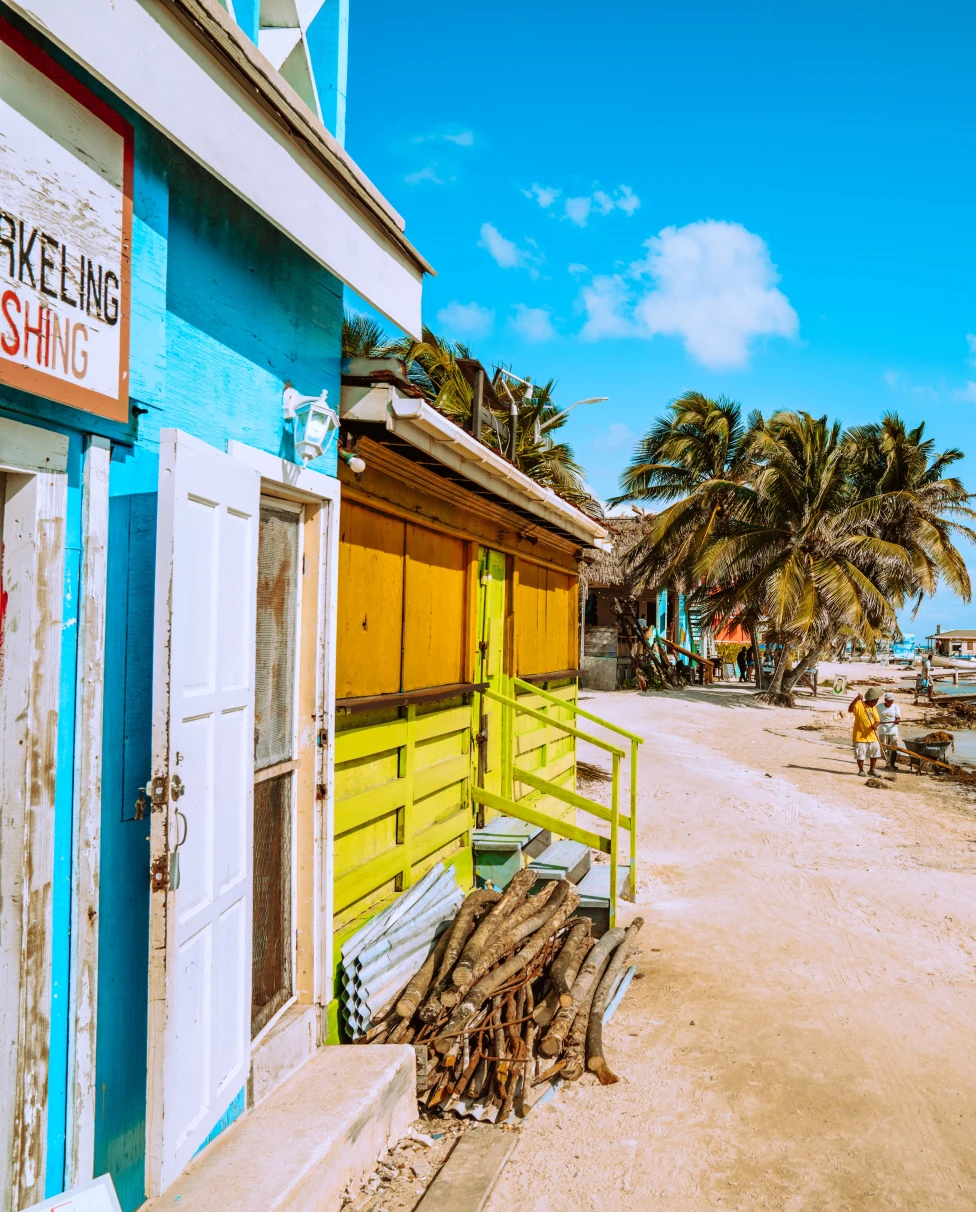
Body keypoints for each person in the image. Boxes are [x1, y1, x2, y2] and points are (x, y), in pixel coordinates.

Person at [848, 686, 882, 776]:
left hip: (872, 735)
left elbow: (877, 720)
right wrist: (856, 700)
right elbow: (850, 710)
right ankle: (861, 770)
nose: (875, 703)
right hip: (860, 735)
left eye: (876, 701)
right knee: (860, 754)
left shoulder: (874, 708)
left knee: (875, 752)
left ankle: (872, 770)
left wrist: (875, 725)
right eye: (875, 701)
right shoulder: (860, 705)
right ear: (870, 700)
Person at [876, 691, 902, 768]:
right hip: (882, 730)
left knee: (894, 746)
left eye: (892, 700)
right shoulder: (879, 707)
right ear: (885, 700)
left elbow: (898, 718)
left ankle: (892, 763)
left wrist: (897, 721)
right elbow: (874, 716)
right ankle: (887, 763)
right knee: (884, 747)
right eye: (889, 700)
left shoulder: (895, 707)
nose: (891, 702)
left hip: (893, 730)